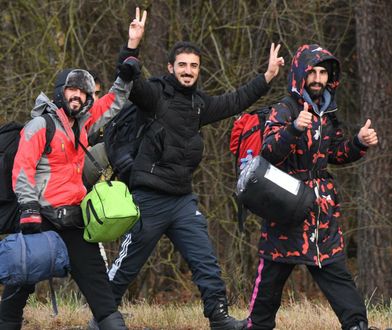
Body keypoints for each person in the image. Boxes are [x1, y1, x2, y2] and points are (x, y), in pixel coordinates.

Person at [104, 7, 284, 330]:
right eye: (182, 65)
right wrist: (132, 45)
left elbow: (235, 101)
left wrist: (267, 78)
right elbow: (130, 78)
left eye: (194, 66)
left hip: (182, 199)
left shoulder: (199, 105)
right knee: (128, 264)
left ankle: (218, 317)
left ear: (199, 70)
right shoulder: (155, 96)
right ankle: (102, 314)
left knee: (206, 261)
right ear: (171, 67)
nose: (188, 71)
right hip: (148, 198)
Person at [0, 51, 140, 330]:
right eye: (72, 89)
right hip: (40, 219)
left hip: (75, 220)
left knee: (98, 285)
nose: (77, 95)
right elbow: (23, 168)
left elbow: (113, 103)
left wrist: (125, 74)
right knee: (21, 283)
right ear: (61, 93)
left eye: (83, 91)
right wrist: (28, 209)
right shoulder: (40, 125)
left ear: (89, 97)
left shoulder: (83, 125)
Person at [246, 44, 378, 330]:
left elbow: (335, 154)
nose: (318, 79)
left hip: (322, 214)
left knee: (337, 273)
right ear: (300, 74)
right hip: (286, 206)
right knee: (269, 281)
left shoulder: (328, 112)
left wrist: (358, 143)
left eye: (322, 73)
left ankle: (356, 325)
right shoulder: (285, 108)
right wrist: (293, 128)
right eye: (312, 72)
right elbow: (268, 152)